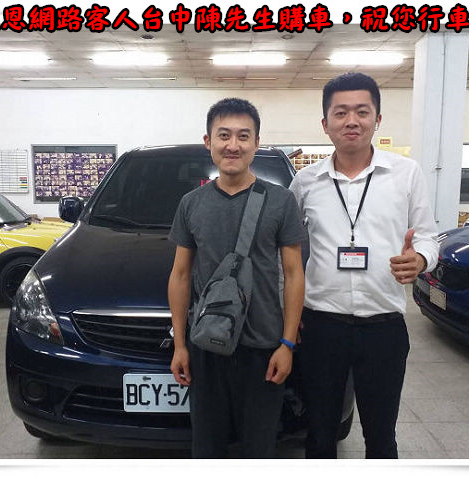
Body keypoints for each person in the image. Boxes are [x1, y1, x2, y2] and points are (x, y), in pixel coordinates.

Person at [289, 72, 439, 459]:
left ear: (377, 119)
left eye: (362, 111)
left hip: (383, 327)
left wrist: (420, 259)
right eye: (340, 113)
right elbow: (286, 252)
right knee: (320, 434)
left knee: (381, 436)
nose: (351, 121)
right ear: (325, 124)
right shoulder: (305, 182)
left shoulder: (406, 174)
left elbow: (427, 236)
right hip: (321, 326)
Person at [168, 97, 305, 458]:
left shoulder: (281, 201)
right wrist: (180, 344)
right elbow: (180, 275)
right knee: (207, 447)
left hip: (263, 348)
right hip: (206, 346)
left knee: (259, 448)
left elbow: (294, 274)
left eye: (244, 136)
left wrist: (287, 344)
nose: (233, 145)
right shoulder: (191, 203)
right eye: (224, 135)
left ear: (256, 143)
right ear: (208, 141)